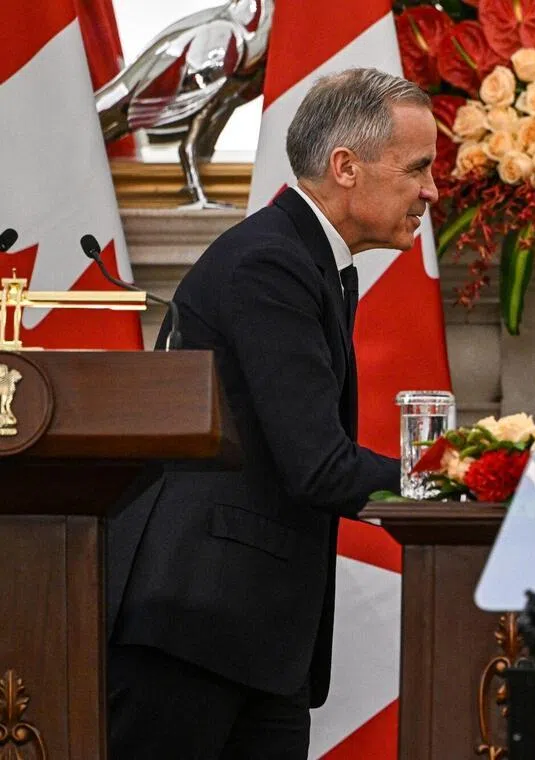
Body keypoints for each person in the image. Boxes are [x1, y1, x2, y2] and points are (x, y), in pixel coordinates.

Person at [105, 68, 438, 758]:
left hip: (246, 638)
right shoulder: (271, 263)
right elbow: (317, 465)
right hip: (194, 628)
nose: (432, 192)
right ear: (346, 167)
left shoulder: (302, 258)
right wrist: (460, 476)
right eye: (419, 169)